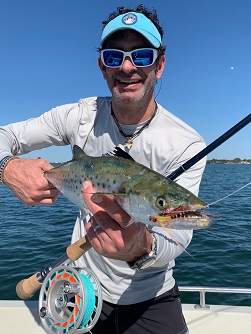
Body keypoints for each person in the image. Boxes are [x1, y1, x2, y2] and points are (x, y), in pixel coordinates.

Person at [0, 4, 206, 334]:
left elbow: (179, 231)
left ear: (160, 65)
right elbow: (4, 136)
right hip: (82, 288)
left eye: (141, 56)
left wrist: (143, 247)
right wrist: (6, 168)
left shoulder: (185, 143)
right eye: (114, 56)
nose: (127, 67)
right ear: (102, 66)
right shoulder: (78, 116)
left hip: (151, 294)